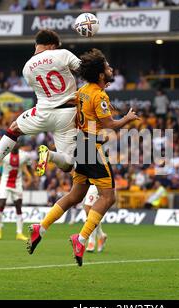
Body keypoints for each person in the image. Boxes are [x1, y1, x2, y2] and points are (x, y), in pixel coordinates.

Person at [26, 48, 139, 266]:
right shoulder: (98, 95)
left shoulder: (83, 90)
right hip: (89, 147)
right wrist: (128, 118)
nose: (111, 69)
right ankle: (82, 238)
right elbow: (109, 125)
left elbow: (75, 105)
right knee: (108, 197)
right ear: (100, 75)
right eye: (107, 67)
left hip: (80, 144)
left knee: (75, 196)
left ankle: (41, 227)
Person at [0, 29, 80, 181]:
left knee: (14, 129)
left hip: (43, 112)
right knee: (68, 163)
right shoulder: (62, 54)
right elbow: (84, 69)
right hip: (68, 113)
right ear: (52, 46)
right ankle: (49, 155)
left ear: (36, 44)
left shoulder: (27, 68)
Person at [0, 144, 33, 241]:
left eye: (16, 143)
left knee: (18, 207)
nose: (14, 145)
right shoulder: (4, 154)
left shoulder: (24, 155)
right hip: (5, 183)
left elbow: (29, 165)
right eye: (13, 144)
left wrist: (31, 176)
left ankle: (19, 233)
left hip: (17, 183)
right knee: (1, 205)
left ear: (19, 145)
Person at [84, 185, 108, 253]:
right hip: (89, 183)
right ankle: (101, 236)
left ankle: (91, 242)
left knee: (90, 211)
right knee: (91, 212)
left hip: (96, 182)